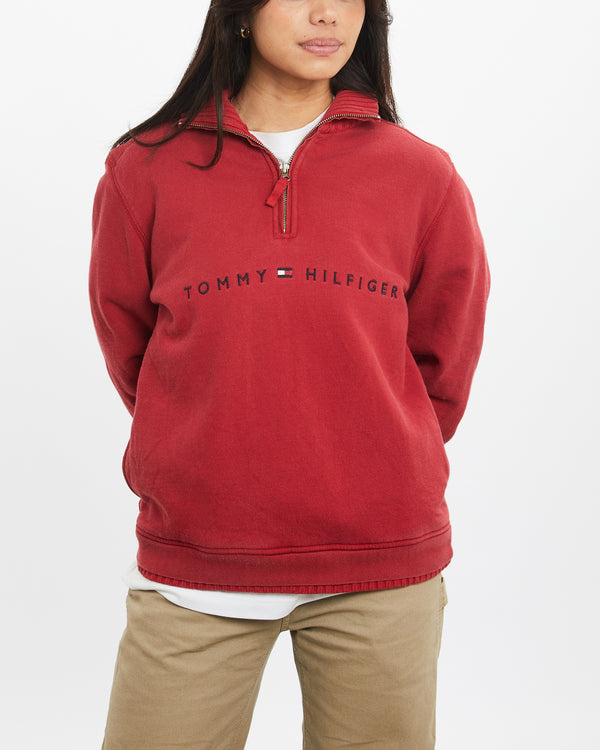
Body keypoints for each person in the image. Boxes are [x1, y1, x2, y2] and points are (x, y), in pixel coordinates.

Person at [89, 0, 490, 747]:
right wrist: (201, 438)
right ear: (241, 13)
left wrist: (373, 449)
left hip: (381, 563)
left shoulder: (421, 174)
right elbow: (131, 347)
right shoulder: (143, 169)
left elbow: (445, 357)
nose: (326, 13)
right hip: (198, 561)